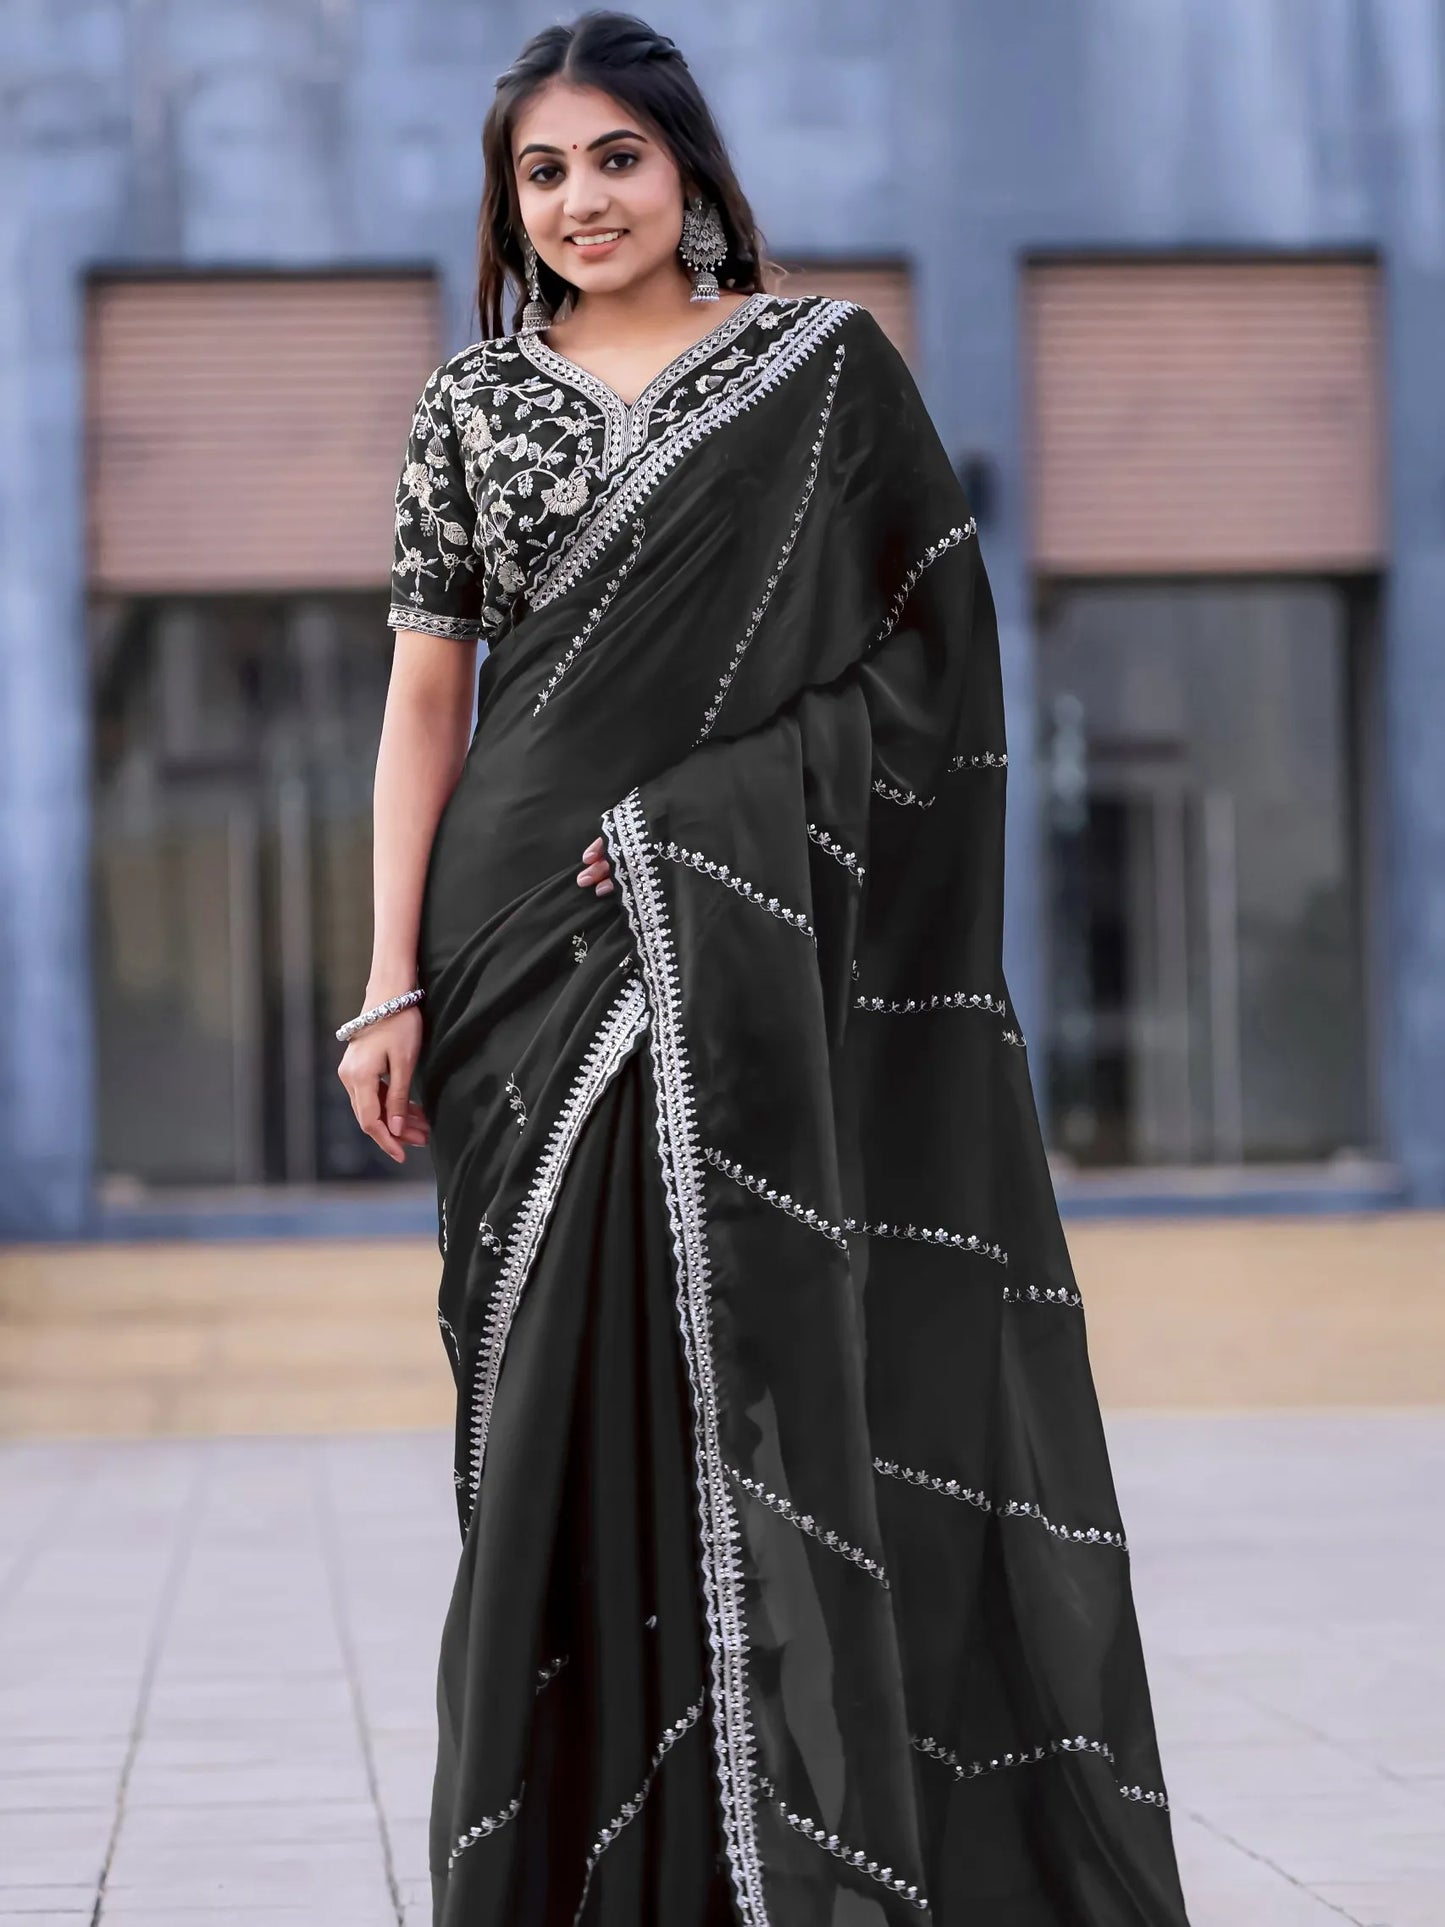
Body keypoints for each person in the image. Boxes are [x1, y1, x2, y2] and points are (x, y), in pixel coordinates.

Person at [337, 11, 1194, 1925]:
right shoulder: (469, 406)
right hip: (513, 957)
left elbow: (927, 677)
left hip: (729, 926)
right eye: (540, 176)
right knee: (553, 1396)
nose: (579, 203)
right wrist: (387, 979)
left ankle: (780, 1855)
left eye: (613, 161)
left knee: (770, 1373)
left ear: (692, 169)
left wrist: (702, 818)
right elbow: (420, 706)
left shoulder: (820, 376)